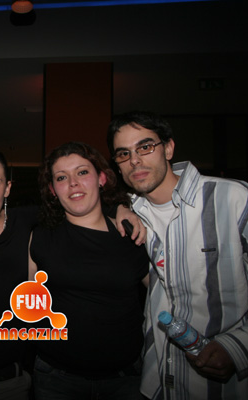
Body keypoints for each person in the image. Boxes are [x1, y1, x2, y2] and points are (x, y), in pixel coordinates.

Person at [0, 147, 146, 400]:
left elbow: (78, 201)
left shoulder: (28, 223)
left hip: (10, 380)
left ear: (7, 188)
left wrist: (121, 207)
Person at [107, 111, 248, 399]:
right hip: (159, 384)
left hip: (236, 387)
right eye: (123, 153)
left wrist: (239, 347)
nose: (135, 160)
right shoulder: (131, 213)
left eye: (145, 147)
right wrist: (118, 205)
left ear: (168, 148)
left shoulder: (234, 199)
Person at [28, 142, 149, 400]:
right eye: (61, 177)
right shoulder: (40, 238)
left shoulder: (132, 234)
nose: (73, 183)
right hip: (56, 379)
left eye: (82, 172)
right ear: (52, 190)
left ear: (102, 179)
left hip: (125, 379)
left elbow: (168, 294)